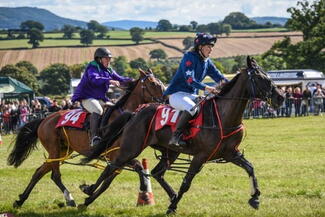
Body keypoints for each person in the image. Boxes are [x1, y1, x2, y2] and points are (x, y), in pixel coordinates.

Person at [164, 33, 228, 147]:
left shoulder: (207, 62)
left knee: (209, 105)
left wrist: (233, 85)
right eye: (208, 46)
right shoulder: (189, 57)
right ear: (200, 47)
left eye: (212, 47)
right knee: (192, 109)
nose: (211, 49)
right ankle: (175, 137)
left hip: (191, 95)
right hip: (176, 94)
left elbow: (220, 78)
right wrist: (207, 88)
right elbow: (190, 80)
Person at [72, 47, 132, 147]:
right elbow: (94, 79)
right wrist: (109, 80)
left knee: (115, 109)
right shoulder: (92, 67)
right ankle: (94, 137)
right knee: (98, 110)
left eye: (109, 59)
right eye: (106, 58)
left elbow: (121, 78)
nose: (108, 60)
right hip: (87, 97)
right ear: (99, 59)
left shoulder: (109, 70)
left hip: (100, 98)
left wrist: (134, 80)